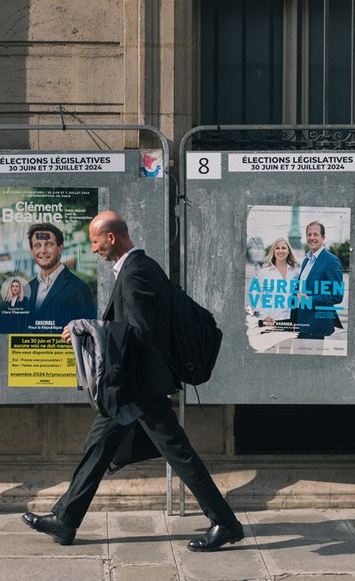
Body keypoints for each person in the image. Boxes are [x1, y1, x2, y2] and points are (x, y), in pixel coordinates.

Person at [22, 210, 244, 552]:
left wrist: (88, 328)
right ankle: (65, 519)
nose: (94, 248)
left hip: (142, 387)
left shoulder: (136, 273)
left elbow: (141, 334)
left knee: (181, 456)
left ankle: (226, 523)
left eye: (95, 241)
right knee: (97, 447)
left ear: (111, 238)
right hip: (132, 385)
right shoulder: (142, 266)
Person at [23, 223, 95, 333]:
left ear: (60, 248)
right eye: (37, 245)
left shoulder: (79, 288)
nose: (43, 251)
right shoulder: (27, 289)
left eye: (49, 244)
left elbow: (88, 332)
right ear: (32, 250)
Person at [291, 221, 344, 339]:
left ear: (323, 237)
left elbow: (337, 296)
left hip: (316, 325)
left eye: (316, 234)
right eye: (309, 235)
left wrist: (309, 299)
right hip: (301, 322)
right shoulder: (306, 259)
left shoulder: (331, 261)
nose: (312, 238)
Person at [257, 237, 300, 328]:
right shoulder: (264, 272)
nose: (280, 251)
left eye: (283, 248)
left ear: (288, 251)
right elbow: (255, 295)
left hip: (290, 320)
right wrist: (264, 316)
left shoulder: (295, 273)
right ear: (273, 251)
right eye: (277, 248)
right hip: (269, 320)